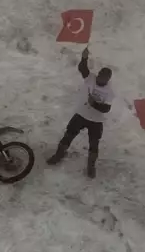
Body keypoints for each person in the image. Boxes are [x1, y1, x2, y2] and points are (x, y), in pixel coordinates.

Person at [47, 48, 114, 179]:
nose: (101, 78)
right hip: (81, 114)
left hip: (96, 120)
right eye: (100, 75)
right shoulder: (91, 79)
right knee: (68, 135)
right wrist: (84, 57)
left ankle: (91, 165)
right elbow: (83, 68)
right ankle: (59, 154)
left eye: (104, 78)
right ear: (98, 74)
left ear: (108, 79)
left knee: (94, 144)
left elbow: (106, 109)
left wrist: (93, 104)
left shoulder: (110, 92)